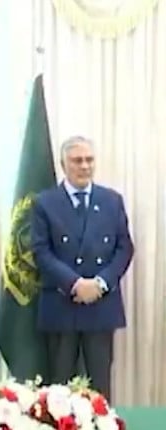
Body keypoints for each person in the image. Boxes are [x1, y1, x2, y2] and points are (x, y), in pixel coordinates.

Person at [31, 136, 134, 400]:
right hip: (61, 304)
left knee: (100, 387)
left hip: (101, 304)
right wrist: (75, 284)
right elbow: (41, 251)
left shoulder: (111, 200)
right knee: (60, 390)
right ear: (63, 165)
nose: (85, 166)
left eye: (89, 160)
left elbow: (124, 248)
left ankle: (102, 425)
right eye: (77, 160)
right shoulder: (44, 203)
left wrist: (100, 283)